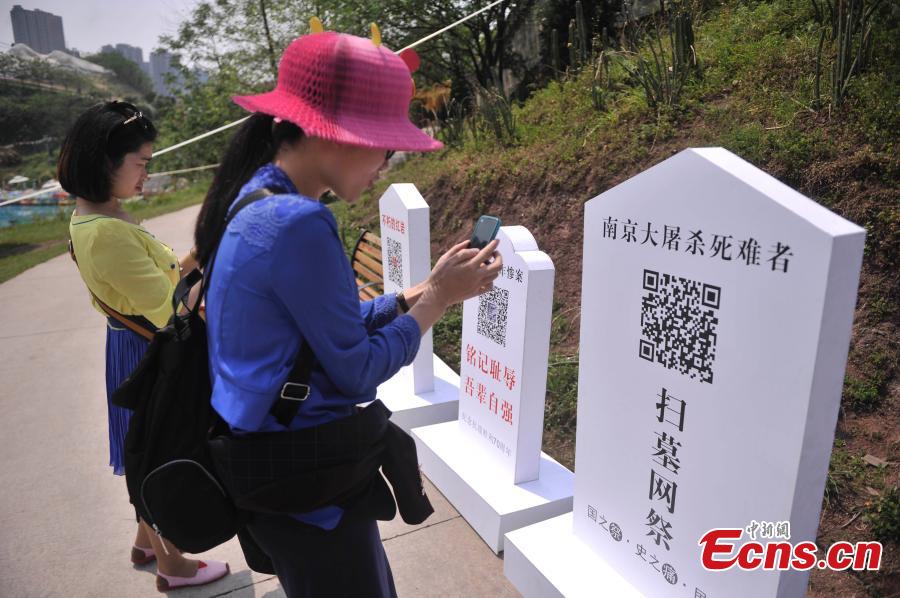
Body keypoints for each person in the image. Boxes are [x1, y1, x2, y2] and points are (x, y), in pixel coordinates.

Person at [195, 32, 502, 597]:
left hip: (269, 470)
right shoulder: (298, 222)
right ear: (327, 132)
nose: (389, 159)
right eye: (383, 141)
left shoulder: (255, 201)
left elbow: (318, 336)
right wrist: (440, 300)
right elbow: (356, 370)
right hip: (311, 486)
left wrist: (419, 291)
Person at [60, 101, 229, 591]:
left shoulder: (100, 219)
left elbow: (163, 279)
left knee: (149, 445)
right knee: (159, 450)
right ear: (104, 164)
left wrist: (202, 251)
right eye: (142, 164)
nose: (146, 176)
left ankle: (144, 545)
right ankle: (172, 566)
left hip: (136, 348)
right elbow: (170, 311)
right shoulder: (106, 233)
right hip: (149, 355)